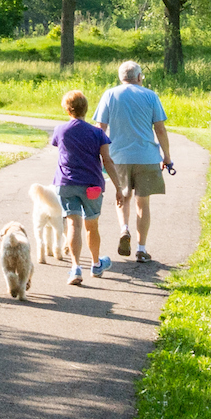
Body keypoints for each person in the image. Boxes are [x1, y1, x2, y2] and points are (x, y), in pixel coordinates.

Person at [93, 60, 174, 263]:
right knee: (143, 202)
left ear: (121, 78)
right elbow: (160, 129)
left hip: (118, 156)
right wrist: (167, 157)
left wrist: (98, 155)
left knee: (123, 196)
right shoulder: (150, 95)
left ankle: (124, 229)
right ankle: (141, 248)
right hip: (146, 157)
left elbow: (100, 128)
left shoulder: (110, 95)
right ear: (139, 77)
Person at [50, 89, 125, 286]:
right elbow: (107, 161)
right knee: (91, 226)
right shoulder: (97, 133)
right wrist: (118, 187)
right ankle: (95, 264)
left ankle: (75, 267)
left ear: (67, 110)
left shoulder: (60, 130)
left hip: (65, 184)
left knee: (73, 224)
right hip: (92, 186)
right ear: (86, 109)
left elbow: (59, 147)